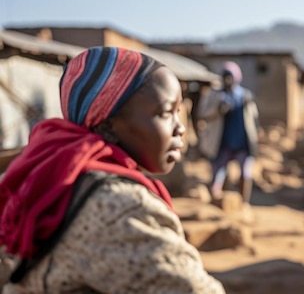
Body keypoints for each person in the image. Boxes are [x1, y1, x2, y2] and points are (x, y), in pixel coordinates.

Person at [0, 47, 226, 293]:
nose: (180, 127)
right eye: (165, 113)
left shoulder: (53, 177)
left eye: (178, 112)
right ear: (108, 126)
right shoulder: (123, 208)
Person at [196, 61, 259, 204]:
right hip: (221, 142)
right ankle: (217, 202)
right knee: (218, 173)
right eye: (226, 77)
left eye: (230, 77)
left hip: (242, 142)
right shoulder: (214, 95)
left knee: (245, 173)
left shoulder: (245, 96)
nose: (228, 81)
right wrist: (217, 111)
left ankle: (244, 203)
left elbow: (254, 118)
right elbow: (202, 114)